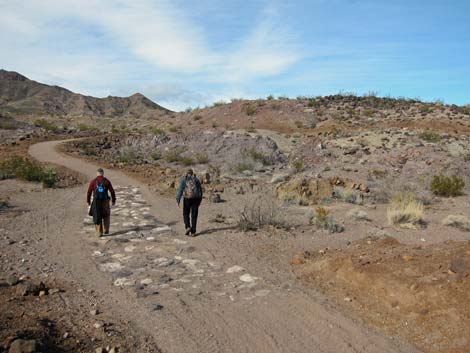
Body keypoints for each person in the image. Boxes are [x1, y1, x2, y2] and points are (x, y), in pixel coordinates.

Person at [87, 168, 116, 237]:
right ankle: (106, 230)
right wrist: (113, 200)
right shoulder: (106, 181)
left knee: (97, 215)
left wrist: (88, 201)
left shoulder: (93, 181)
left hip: (96, 201)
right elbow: (112, 191)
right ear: (103, 173)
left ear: (97, 174)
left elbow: (89, 192)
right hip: (105, 200)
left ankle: (99, 232)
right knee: (106, 215)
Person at [176, 169, 203, 236]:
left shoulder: (184, 179)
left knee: (185, 213)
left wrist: (178, 199)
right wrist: (200, 200)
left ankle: (188, 227)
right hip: (196, 199)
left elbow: (180, 190)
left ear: (186, 173)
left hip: (187, 199)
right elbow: (200, 191)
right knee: (194, 215)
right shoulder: (196, 179)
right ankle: (193, 232)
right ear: (192, 173)